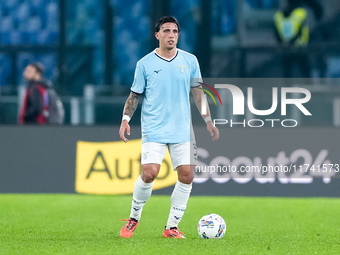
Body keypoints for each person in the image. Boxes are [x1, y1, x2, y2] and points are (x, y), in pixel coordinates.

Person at [119, 16, 219, 239]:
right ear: (157, 35)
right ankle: (134, 218)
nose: (171, 35)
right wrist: (125, 119)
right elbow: (135, 95)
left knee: (187, 175)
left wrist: (208, 121)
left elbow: (198, 93)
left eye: (175, 31)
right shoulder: (145, 64)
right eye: (166, 31)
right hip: (154, 127)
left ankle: (171, 227)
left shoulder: (190, 60)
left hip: (182, 129)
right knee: (149, 173)